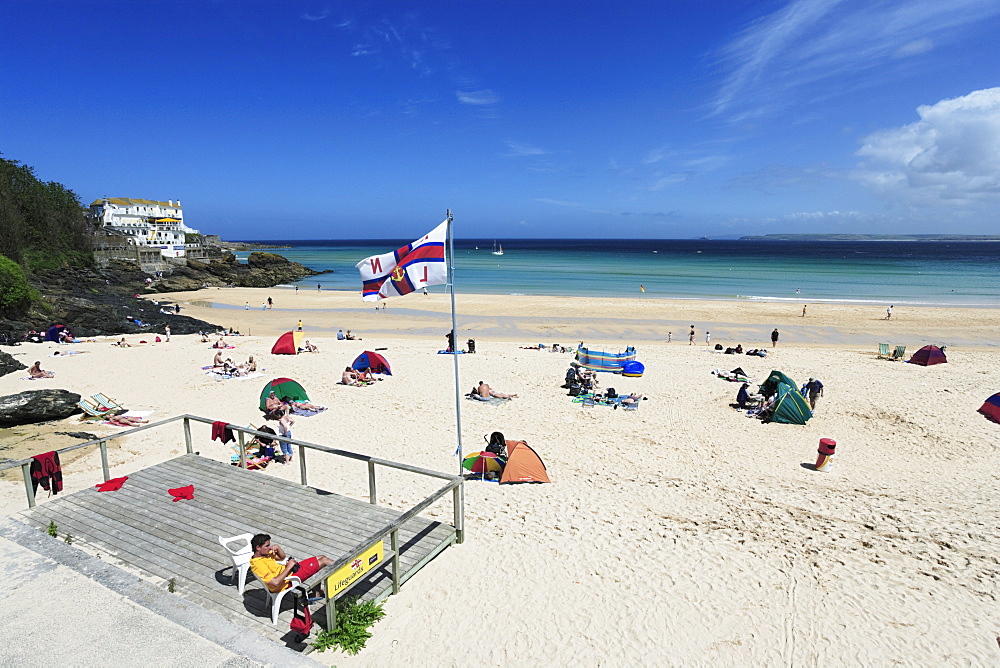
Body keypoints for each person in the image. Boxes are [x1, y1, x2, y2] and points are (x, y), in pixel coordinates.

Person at [249, 533, 332, 595]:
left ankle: (317, 592)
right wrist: (288, 567)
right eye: (267, 546)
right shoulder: (258, 565)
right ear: (258, 548)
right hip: (288, 581)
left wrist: (278, 547)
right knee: (323, 561)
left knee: (321, 557)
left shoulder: (263, 555)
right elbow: (275, 583)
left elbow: (282, 557)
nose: (270, 548)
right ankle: (344, 575)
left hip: (289, 572)